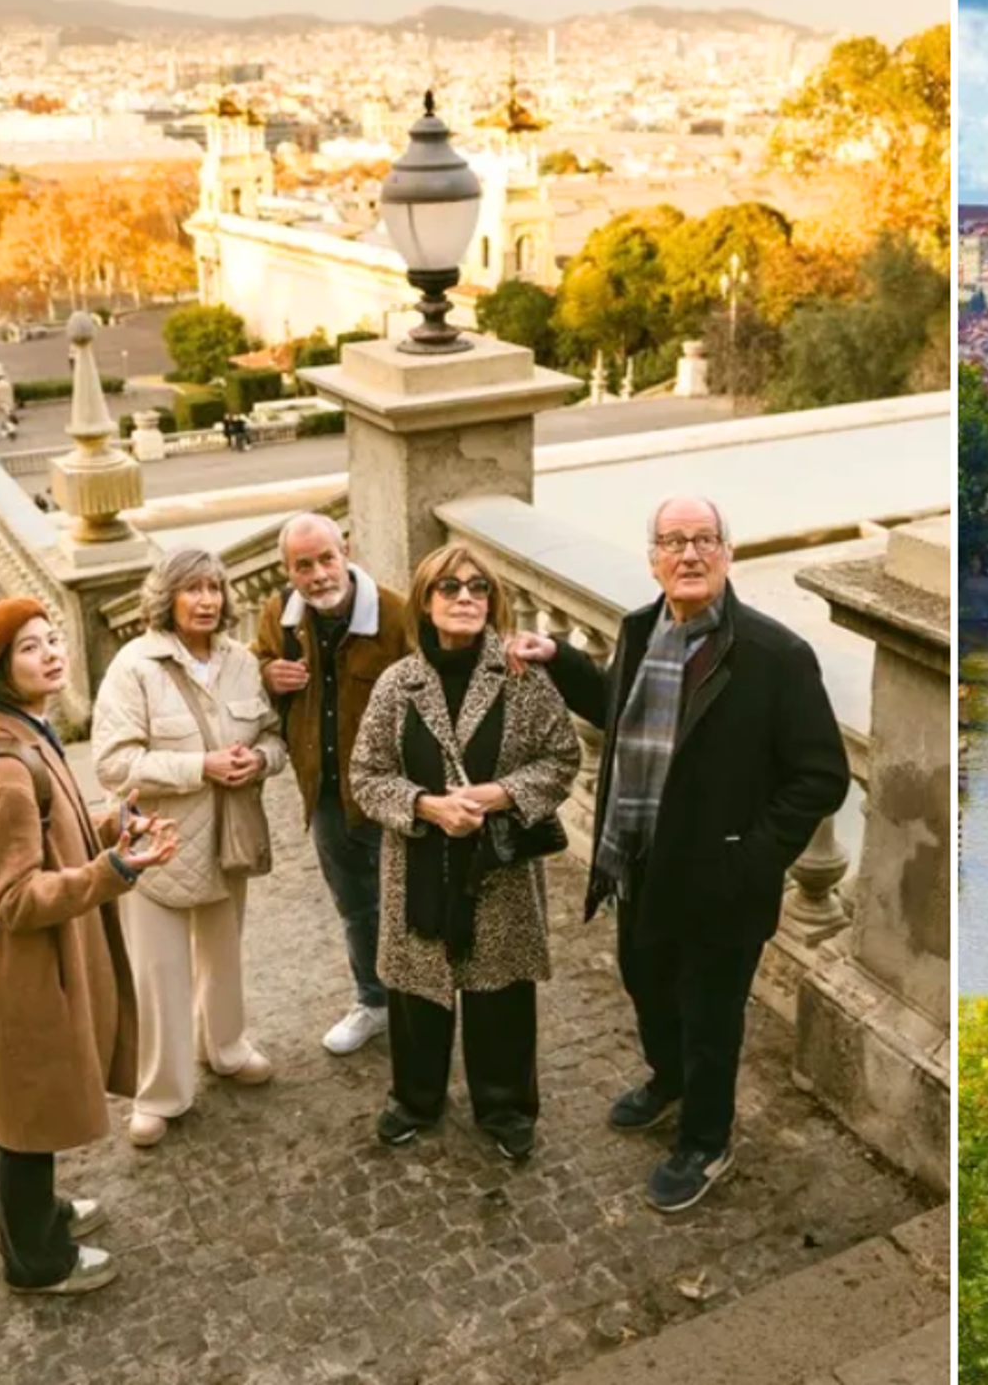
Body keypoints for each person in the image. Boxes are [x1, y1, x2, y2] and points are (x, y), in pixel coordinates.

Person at [514, 496, 849, 1212]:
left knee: (710, 1016)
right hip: (638, 862)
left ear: (727, 555)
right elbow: (622, 709)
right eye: (673, 541)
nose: (689, 554)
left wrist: (751, 857)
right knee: (646, 985)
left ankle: (706, 1139)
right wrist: (560, 659)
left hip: (722, 881)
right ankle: (668, 1082)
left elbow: (822, 774)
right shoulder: (641, 630)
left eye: (703, 540)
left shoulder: (774, 655)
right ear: (654, 559)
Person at [0, 597, 179, 1294]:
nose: (52, 652)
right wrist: (115, 872)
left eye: (53, 640)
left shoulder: (28, 735)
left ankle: (40, 1216)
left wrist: (113, 824)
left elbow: (56, 830)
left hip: (40, 964)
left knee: (31, 1101)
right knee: (25, 1111)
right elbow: (17, 899)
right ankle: (35, 1262)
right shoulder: (4, 773)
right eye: (29, 647)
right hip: (24, 969)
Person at [348, 543, 581, 1163]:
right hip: (418, 867)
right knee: (416, 992)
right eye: (449, 587)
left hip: (497, 869)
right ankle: (415, 1100)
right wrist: (427, 806)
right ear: (425, 601)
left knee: (499, 990)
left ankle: (505, 1107)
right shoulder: (400, 684)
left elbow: (562, 759)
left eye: (478, 588)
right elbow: (366, 775)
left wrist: (502, 793)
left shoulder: (521, 677)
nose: (465, 598)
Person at [92, 548, 287, 1147]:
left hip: (229, 837)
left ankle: (226, 1048)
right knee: (160, 974)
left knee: (224, 956)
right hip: (159, 845)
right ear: (167, 597)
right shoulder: (134, 667)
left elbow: (274, 739)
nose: (207, 600)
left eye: (214, 588)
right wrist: (199, 766)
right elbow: (112, 763)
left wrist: (258, 759)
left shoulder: (240, 662)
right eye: (192, 589)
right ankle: (159, 1094)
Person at [250, 513, 411, 1055]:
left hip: (391, 790)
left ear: (346, 550)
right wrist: (268, 675)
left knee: (409, 899)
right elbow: (255, 672)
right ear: (287, 570)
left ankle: (420, 1002)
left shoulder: (394, 614)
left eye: (326, 559)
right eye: (304, 565)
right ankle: (373, 1001)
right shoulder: (279, 615)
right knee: (355, 905)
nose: (318, 575)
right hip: (324, 791)